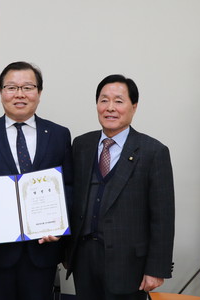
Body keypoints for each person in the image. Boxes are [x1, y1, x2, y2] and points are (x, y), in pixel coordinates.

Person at [0, 61, 73, 300]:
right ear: (1, 92)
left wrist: (59, 225)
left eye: (28, 87)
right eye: (11, 87)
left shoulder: (58, 134)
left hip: (42, 250)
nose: (19, 94)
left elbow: (69, 186)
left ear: (39, 93)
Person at [66, 74, 175, 300]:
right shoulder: (81, 145)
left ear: (133, 106)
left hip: (128, 264)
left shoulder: (153, 152)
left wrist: (156, 269)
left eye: (118, 101)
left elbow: (163, 217)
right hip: (84, 258)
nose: (110, 108)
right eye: (104, 100)